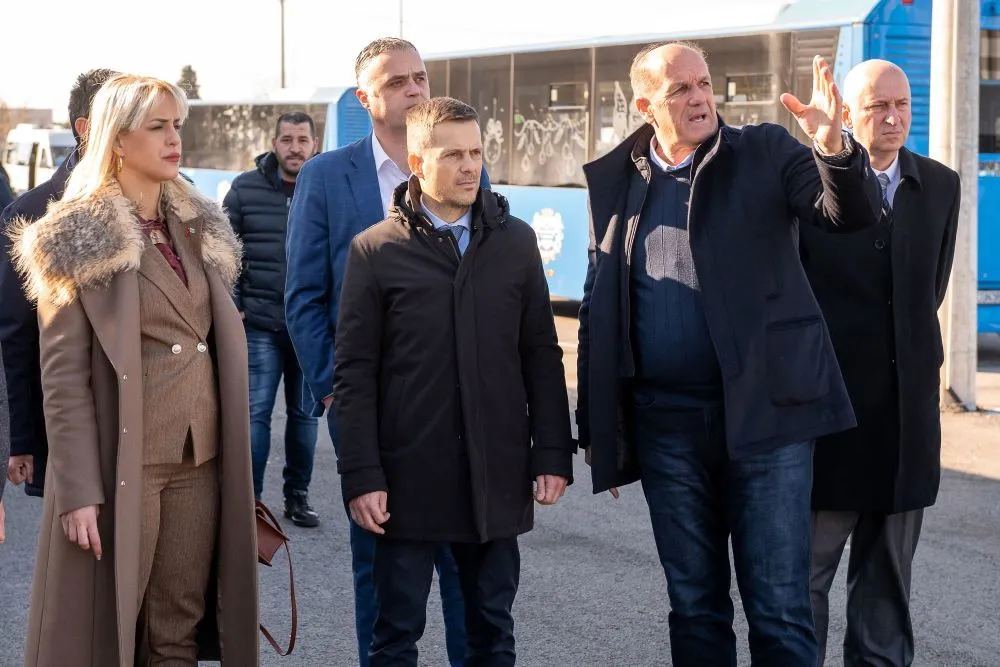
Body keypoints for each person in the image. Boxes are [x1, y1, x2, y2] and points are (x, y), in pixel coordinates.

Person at [576, 42, 882, 666]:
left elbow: (848, 214)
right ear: (644, 106)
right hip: (666, 427)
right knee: (694, 606)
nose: (699, 99)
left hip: (768, 420)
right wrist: (599, 427)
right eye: (679, 90)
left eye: (704, 84)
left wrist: (833, 148)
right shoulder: (618, 179)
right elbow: (598, 304)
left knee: (780, 609)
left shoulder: (765, 151)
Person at [8, 74, 258, 666]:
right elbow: (62, 377)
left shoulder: (199, 225)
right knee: (109, 625)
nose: (175, 139)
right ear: (117, 139)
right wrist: (76, 490)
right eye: (158, 127)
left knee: (178, 625)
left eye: (178, 126)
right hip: (124, 460)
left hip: (202, 456)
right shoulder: (73, 235)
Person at [335, 95, 574, 666]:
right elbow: (355, 373)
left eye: (476, 153)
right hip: (407, 478)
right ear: (418, 163)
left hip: (495, 473)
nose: (470, 167)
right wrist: (362, 475)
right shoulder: (375, 250)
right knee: (395, 635)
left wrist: (552, 453)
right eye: (454, 155)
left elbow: (541, 355)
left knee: (491, 631)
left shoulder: (515, 242)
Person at [285, 37, 488, 666]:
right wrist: (334, 392)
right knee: (382, 576)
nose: (415, 89)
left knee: (470, 577)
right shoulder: (326, 177)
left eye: (420, 77)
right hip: (369, 410)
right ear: (364, 98)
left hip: (459, 411)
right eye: (397, 82)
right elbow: (304, 297)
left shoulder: (464, 170)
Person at [801, 59, 960, 667]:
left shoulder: (940, 185)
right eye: (877, 107)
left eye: (902, 105)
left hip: (905, 425)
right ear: (847, 112)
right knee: (802, 584)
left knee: (887, 590)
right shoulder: (808, 182)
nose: (893, 118)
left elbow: (929, 292)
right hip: (829, 420)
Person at [1, 68, 119, 499]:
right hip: (67, 425)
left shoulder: (165, 205)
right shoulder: (33, 213)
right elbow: (16, 333)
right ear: (85, 127)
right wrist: (21, 437)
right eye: (121, 117)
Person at [224, 110, 321, 526]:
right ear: (274, 143)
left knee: (305, 417)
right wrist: (233, 303)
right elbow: (222, 251)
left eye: (302, 140)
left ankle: (297, 497)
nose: (295, 148)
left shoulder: (326, 186)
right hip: (259, 323)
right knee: (255, 415)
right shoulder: (244, 188)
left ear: (314, 144)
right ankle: (251, 502)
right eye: (287, 140)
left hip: (311, 328)